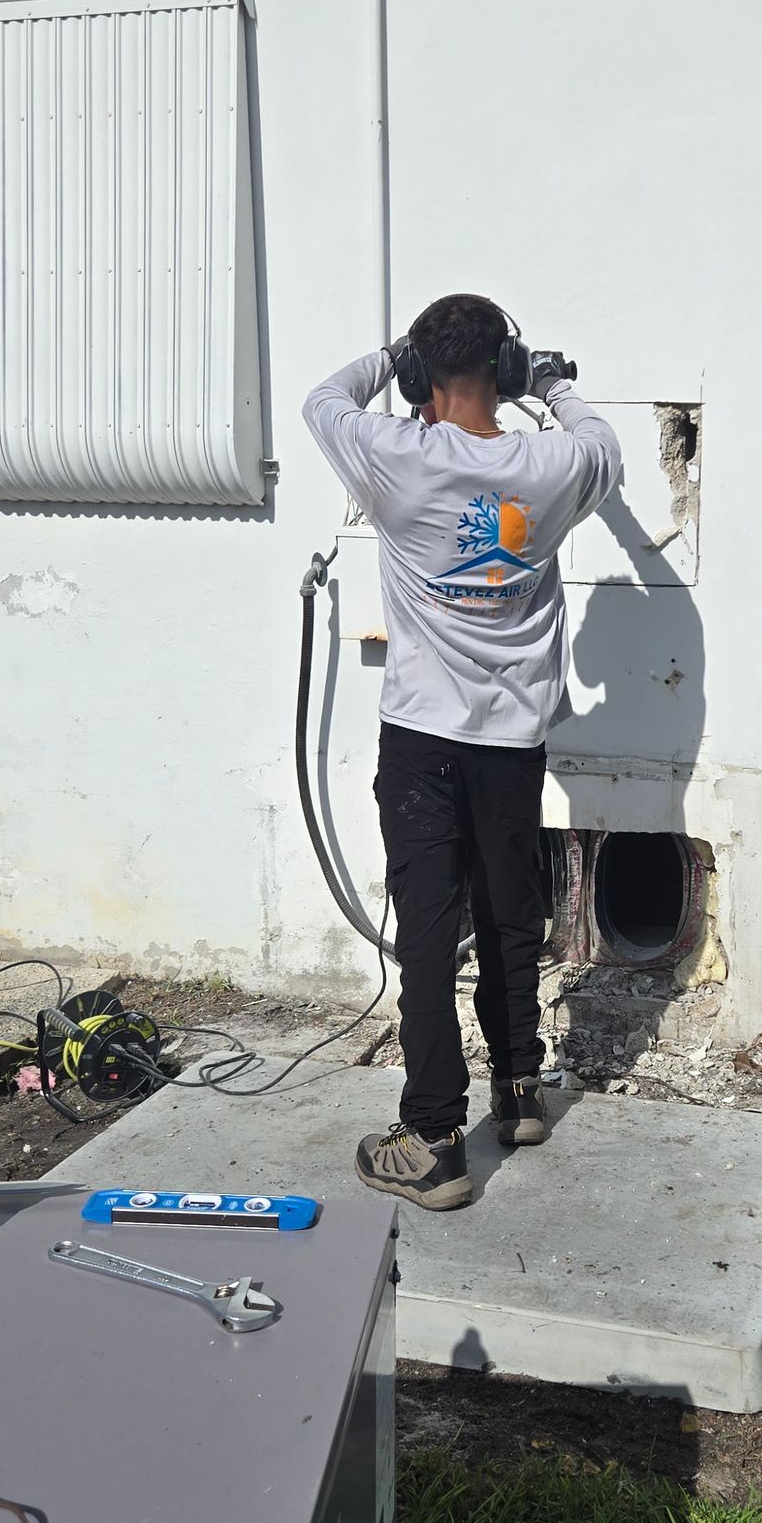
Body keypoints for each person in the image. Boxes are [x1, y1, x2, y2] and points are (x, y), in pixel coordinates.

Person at [303, 296, 623, 1210]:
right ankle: (519, 1090)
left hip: (420, 740)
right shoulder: (555, 465)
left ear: (419, 376)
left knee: (429, 937)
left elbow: (323, 400)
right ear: (505, 371)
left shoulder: (392, 454)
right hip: (511, 743)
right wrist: (551, 386)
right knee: (511, 915)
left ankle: (436, 1141)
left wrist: (388, 355)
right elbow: (603, 443)